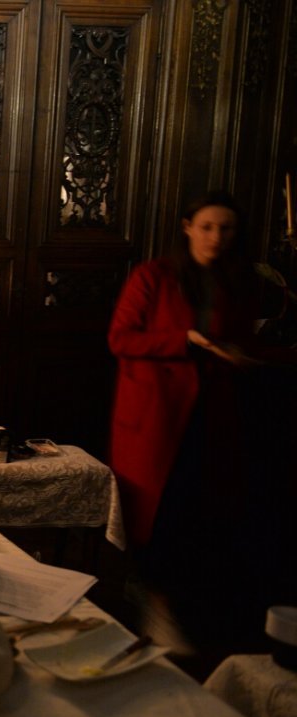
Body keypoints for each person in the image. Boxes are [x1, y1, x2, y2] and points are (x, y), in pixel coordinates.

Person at [107, 190, 292, 668]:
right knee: (158, 512)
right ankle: (153, 602)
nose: (216, 237)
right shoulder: (155, 276)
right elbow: (120, 338)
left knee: (201, 513)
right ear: (187, 226)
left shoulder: (237, 281)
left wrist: (247, 357)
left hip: (214, 415)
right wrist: (183, 340)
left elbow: (239, 342)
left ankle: (182, 609)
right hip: (157, 417)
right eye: (207, 226)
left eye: (226, 228)